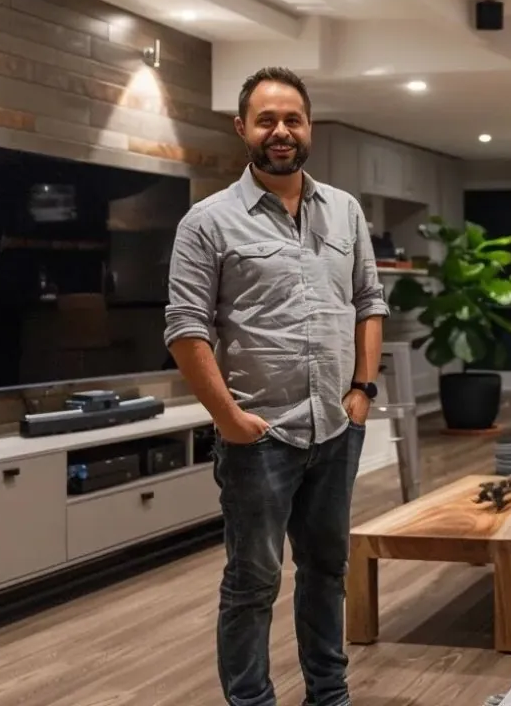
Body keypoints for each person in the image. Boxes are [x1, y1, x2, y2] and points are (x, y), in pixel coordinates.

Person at [164, 66, 387, 706]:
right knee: (253, 580)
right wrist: (229, 417)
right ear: (243, 129)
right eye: (267, 120)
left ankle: (329, 695)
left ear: (308, 126)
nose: (281, 131)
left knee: (325, 572)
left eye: (292, 118)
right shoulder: (207, 222)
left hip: (336, 426)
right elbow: (185, 328)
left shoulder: (343, 210)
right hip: (259, 434)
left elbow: (370, 301)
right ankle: (252, 700)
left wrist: (362, 390)